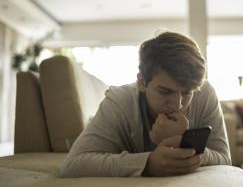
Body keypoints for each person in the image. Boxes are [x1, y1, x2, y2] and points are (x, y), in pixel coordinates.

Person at [60, 31, 231, 177]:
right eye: (165, 92)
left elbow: (225, 159)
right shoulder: (119, 101)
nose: (178, 105)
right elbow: (73, 165)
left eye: (187, 93)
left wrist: (187, 143)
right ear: (142, 81)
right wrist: (148, 164)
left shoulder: (205, 92)